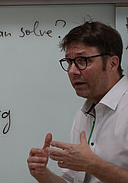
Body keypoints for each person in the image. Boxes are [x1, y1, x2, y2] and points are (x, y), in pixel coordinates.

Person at [27, 21, 128, 183]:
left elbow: (90, 165)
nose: (72, 71)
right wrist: (43, 175)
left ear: (112, 63)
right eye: (69, 62)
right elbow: (73, 180)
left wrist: (92, 164)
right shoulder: (85, 113)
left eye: (82, 60)